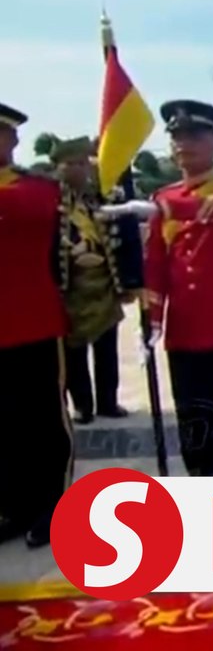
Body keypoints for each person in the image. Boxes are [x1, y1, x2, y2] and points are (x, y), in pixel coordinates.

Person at [144, 100, 213, 477]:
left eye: (194, 136)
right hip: (184, 334)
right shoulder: (163, 197)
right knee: (195, 427)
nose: (182, 145)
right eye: (176, 137)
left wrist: (168, 211)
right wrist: (153, 319)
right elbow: (157, 265)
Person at [0, 104, 73, 548]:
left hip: (34, 324)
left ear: (12, 141)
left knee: (42, 422)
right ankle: (13, 505)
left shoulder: (37, 191)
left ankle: (52, 507)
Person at [53, 136, 141, 424]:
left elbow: (126, 237)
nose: (80, 169)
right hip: (71, 289)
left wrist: (130, 282)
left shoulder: (103, 198)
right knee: (74, 352)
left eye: (83, 163)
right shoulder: (53, 202)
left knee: (107, 348)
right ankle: (82, 405)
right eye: (72, 164)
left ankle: (108, 401)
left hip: (105, 285)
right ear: (60, 168)